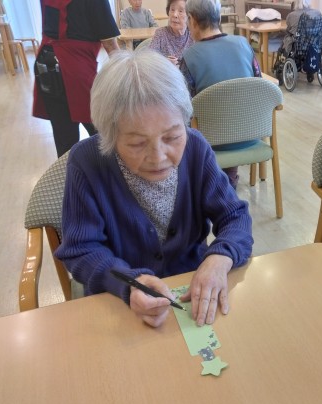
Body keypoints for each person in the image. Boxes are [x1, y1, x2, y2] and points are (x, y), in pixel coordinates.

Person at [55, 50, 253, 328]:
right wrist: (129, 283)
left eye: (172, 137)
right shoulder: (87, 163)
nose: (158, 157)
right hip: (120, 303)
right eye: (137, 143)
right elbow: (80, 249)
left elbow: (235, 216)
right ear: (110, 136)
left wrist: (220, 258)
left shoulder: (196, 148)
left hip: (192, 291)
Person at [180, 0, 262, 189]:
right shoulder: (244, 44)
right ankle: (228, 179)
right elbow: (258, 85)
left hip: (210, 143)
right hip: (251, 134)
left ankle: (209, 183)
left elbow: (183, 106)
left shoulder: (189, 57)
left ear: (192, 20)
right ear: (218, 17)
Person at [32, 0, 120, 159]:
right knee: (104, 134)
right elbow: (110, 46)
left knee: (65, 141)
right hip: (75, 70)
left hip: (46, 64)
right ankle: (107, 171)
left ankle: (71, 173)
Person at [147, 0, 194, 65]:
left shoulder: (193, 35)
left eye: (180, 11)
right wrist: (164, 62)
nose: (175, 15)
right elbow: (149, 57)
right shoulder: (161, 33)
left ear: (189, 16)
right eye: (172, 10)